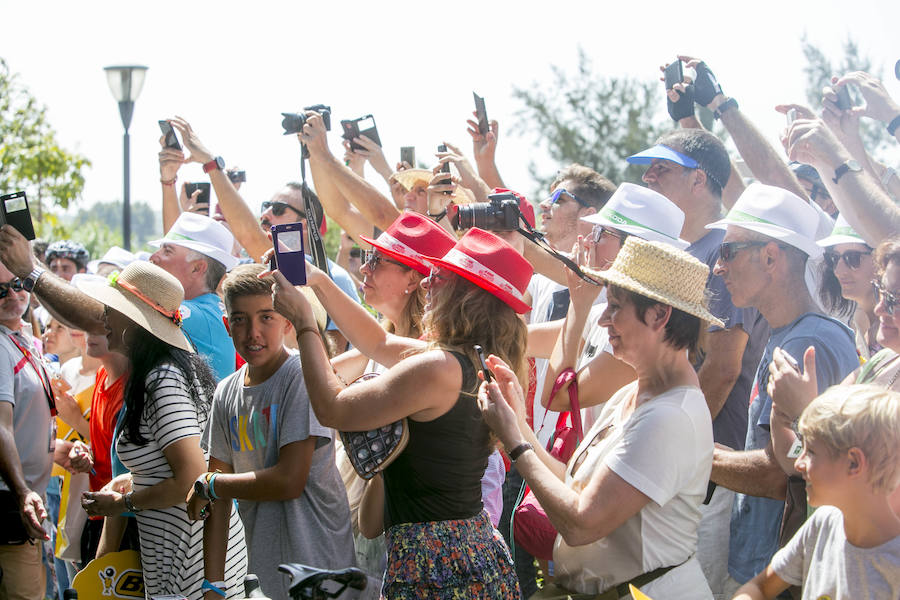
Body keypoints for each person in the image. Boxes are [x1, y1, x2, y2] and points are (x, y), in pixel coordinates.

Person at [269, 228, 526, 599]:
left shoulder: (438, 368)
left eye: (439, 276)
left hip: (436, 568)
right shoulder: (467, 361)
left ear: (467, 296)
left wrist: (305, 322)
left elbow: (332, 408)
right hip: (463, 557)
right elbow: (379, 341)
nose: (426, 283)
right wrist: (318, 280)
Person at [0, 229, 249, 600]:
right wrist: (130, 481)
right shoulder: (155, 374)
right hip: (174, 554)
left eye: (111, 310)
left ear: (134, 323)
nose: (102, 319)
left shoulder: (162, 379)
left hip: (191, 564)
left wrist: (124, 502)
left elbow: (192, 477)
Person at [479, 236, 721, 598]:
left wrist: (514, 442)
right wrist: (519, 424)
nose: (604, 320)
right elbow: (572, 483)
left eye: (615, 307)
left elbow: (581, 524)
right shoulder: (632, 394)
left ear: (659, 315)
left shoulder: (669, 417)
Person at [708, 184, 859, 595]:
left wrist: (693, 456)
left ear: (771, 257)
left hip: (782, 574)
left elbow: (782, 473)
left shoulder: (804, 343)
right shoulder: (796, 334)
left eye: (728, 252)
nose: (718, 267)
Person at [185, 264, 357, 600]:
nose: (253, 332)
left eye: (266, 317)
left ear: (287, 321)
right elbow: (217, 498)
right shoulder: (226, 392)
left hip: (320, 567)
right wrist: (213, 585)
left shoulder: (301, 376)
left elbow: (289, 481)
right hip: (265, 570)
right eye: (240, 319)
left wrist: (211, 484)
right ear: (227, 325)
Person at [732, 385, 900, 599]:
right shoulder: (823, 523)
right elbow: (760, 588)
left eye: (810, 451)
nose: (799, 463)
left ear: (854, 463)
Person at [0, 259, 54, 600]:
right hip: (11, 506)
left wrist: (60, 450)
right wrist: (22, 492)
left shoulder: (19, 337)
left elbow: (22, 423)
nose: (12, 295)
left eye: (17, 284)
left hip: (27, 504)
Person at [148, 211, 239, 381]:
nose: (153, 257)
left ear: (197, 268)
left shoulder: (188, 314)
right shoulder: (209, 311)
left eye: (167, 251)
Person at [816, 215, 878, 358]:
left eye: (852, 258)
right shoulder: (856, 322)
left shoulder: (893, 327)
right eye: (834, 258)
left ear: (880, 258)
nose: (838, 271)